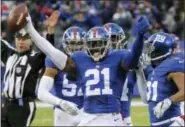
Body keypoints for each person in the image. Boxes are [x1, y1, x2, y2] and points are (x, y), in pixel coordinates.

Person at [22, 13, 150, 126]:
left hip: (112, 118)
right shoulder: (79, 59)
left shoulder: (117, 57)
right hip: (87, 117)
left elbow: (133, 59)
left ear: (107, 44)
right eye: (93, 44)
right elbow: (52, 52)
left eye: (99, 44)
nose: (96, 48)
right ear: (86, 45)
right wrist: (31, 30)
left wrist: (139, 38)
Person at [0, 11, 57, 127]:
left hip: (23, 107)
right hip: (5, 104)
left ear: (31, 41)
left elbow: (50, 51)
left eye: (25, 39)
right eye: (19, 38)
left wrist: (50, 30)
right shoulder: (10, 55)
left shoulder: (35, 59)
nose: (21, 42)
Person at [38, 25, 85, 126]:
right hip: (62, 112)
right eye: (72, 43)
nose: (75, 47)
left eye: (79, 43)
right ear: (65, 44)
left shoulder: (90, 59)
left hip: (86, 110)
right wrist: (60, 102)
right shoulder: (55, 60)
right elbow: (41, 92)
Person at [136, 32, 184, 126]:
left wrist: (168, 101)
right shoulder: (154, 69)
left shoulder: (172, 64)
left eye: (150, 48)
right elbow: (146, 99)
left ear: (159, 50)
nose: (147, 51)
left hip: (172, 122)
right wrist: (140, 72)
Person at [103, 22, 136, 126]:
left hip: (125, 118)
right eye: (107, 38)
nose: (110, 42)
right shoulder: (94, 62)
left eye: (113, 38)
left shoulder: (129, 59)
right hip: (101, 117)